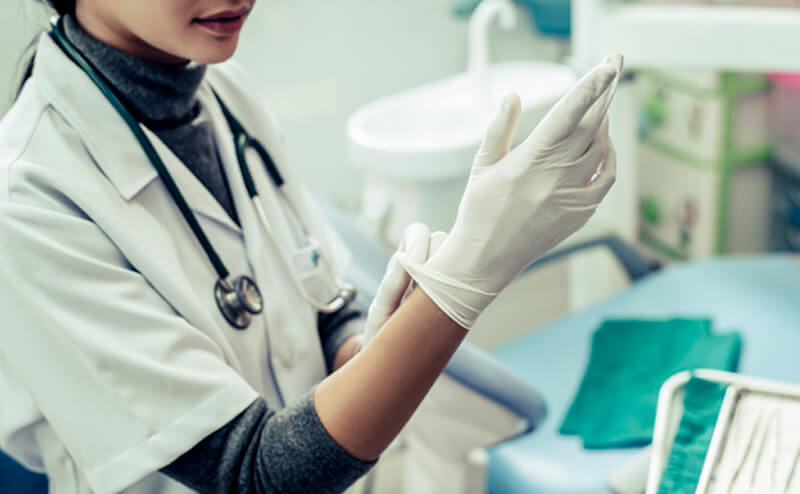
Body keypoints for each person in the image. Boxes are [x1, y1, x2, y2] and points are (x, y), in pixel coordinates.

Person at [0, 1, 622, 493]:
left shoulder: (227, 92)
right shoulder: (31, 198)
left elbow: (324, 309)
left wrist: (377, 341)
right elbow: (255, 474)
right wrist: (464, 280)